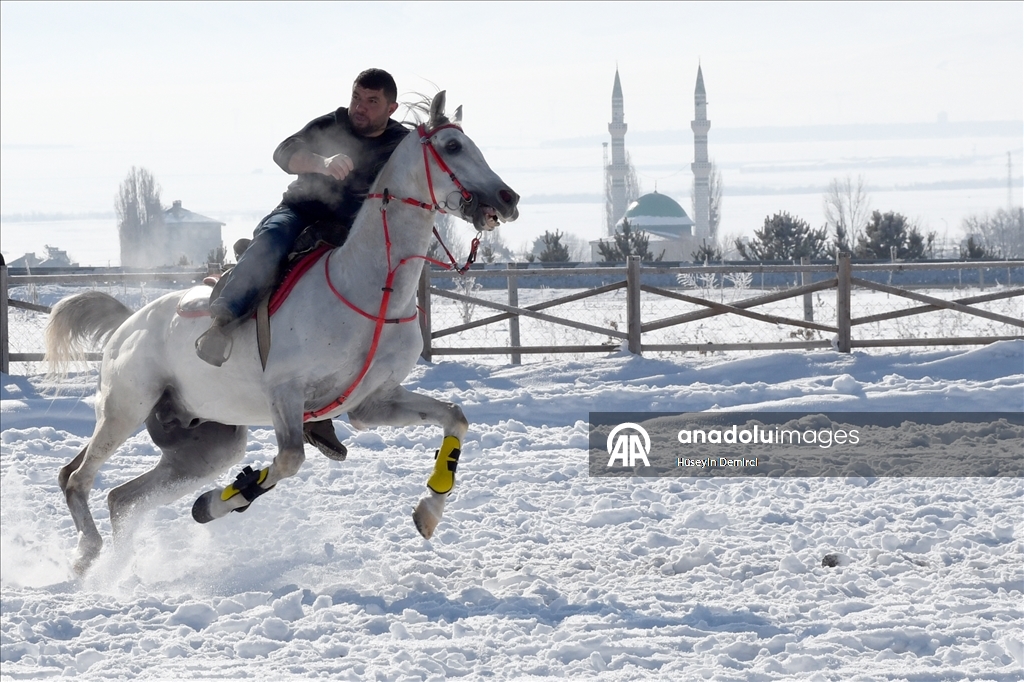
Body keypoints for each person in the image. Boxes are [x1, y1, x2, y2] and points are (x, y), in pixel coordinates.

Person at [196, 68, 409, 458]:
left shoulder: (402, 142)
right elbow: (283, 153)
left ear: (391, 107)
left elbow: (428, 171)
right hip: (300, 213)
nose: (360, 108)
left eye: (371, 102)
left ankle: (346, 394)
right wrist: (321, 161)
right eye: (357, 97)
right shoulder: (331, 124)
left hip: (351, 231)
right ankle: (222, 323)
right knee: (271, 242)